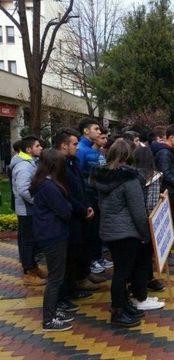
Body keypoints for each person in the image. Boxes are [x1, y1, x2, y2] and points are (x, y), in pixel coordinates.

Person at [94, 140, 152, 327]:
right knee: (122, 273)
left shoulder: (103, 175)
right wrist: (145, 234)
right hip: (126, 232)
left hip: (110, 230)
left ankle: (124, 305)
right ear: (129, 156)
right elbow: (137, 210)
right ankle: (118, 311)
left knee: (121, 270)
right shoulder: (130, 178)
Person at [52, 129, 98, 311]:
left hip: (81, 214)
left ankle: (73, 288)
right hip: (71, 218)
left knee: (76, 254)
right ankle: (62, 297)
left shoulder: (72, 162)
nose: (77, 148)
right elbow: (66, 193)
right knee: (67, 259)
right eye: (74, 144)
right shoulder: (58, 165)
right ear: (64, 145)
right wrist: (81, 209)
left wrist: (87, 206)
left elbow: (80, 188)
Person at [30, 149, 74, 331]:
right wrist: (69, 206)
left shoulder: (44, 183)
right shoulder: (49, 187)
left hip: (51, 233)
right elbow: (65, 211)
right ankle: (48, 319)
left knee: (57, 275)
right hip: (53, 235)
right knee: (55, 278)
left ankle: (53, 310)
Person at [9, 135, 47, 286]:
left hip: (30, 209)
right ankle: (29, 272)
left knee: (31, 240)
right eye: (38, 146)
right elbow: (24, 190)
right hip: (26, 210)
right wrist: (38, 202)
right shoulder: (23, 166)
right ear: (28, 149)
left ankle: (34, 267)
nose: (41, 148)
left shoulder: (29, 162)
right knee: (27, 242)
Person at [76, 119, 112, 275]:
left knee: (97, 229)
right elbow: (79, 175)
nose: (99, 132)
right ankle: (91, 261)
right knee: (90, 231)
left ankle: (97, 257)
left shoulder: (94, 149)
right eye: (96, 129)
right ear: (86, 131)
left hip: (96, 195)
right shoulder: (81, 150)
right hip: (88, 196)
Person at [132, 146, 168, 299]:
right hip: (145, 222)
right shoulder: (153, 177)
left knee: (137, 258)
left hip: (131, 222)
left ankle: (141, 282)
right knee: (145, 256)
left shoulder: (130, 176)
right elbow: (151, 205)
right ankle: (141, 290)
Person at [150, 126, 174, 267]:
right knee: (166, 224)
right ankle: (165, 255)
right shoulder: (164, 153)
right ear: (171, 137)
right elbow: (166, 173)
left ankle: (169, 254)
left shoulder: (168, 151)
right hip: (167, 193)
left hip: (171, 191)